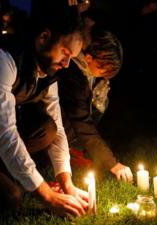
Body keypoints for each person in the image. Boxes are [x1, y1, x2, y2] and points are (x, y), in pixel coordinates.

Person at [0, 2, 88, 216]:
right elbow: (6, 135)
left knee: (47, 128)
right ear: (44, 37)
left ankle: (2, 170)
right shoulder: (0, 59)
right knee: (12, 197)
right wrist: (48, 196)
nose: (67, 63)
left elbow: (57, 129)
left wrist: (66, 182)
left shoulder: (48, 70)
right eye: (65, 52)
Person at [57, 28, 133, 182]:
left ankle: (74, 150)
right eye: (101, 70)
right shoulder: (71, 72)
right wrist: (113, 164)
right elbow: (81, 121)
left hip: (69, 126)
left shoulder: (87, 70)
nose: (102, 76)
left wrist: (99, 100)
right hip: (56, 125)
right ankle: (67, 152)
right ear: (89, 58)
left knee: (99, 104)